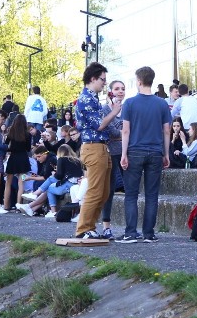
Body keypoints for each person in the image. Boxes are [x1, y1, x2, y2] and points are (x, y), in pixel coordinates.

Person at [117, 66, 171, 243]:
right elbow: (167, 131)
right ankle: (149, 233)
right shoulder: (162, 103)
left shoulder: (130, 103)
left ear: (139, 81)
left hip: (134, 151)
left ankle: (131, 233)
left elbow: (125, 131)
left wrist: (124, 154)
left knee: (131, 194)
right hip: (155, 152)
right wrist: (166, 154)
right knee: (152, 195)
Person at [73, 62, 122, 239]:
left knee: (104, 192)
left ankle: (90, 227)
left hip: (101, 148)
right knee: (95, 190)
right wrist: (115, 112)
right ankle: (83, 229)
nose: (104, 83)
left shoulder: (93, 99)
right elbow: (100, 125)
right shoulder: (86, 99)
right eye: (102, 79)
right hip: (94, 148)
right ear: (93, 78)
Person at [18, 146, 81, 218]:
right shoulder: (77, 160)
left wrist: (55, 174)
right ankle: (31, 208)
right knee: (50, 183)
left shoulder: (61, 159)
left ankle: (50, 209)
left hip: (69, 184)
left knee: (49, 186)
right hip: (76, 183)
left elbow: (59, 175)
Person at [101, 79, 126, 240]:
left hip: (126, 152)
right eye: (117, 88)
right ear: (111, 91)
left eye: (123, 88)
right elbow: (112, 131)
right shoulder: (104, 109)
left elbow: (129, 129)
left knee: (130, 189)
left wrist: (122, 130)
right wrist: (123, 130)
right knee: (109, 190)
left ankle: (130, 227)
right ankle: (106, 227)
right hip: (110, 152)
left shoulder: (128, 108)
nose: (120, 91)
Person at [3, 113, 32, 211]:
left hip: (13, 159)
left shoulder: (11, 131)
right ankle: (19, 205)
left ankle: (6, 205)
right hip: (23, 160)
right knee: (21, 183)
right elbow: (28, 149)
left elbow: (6, 144)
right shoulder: (27, 134)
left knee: (8, 183)